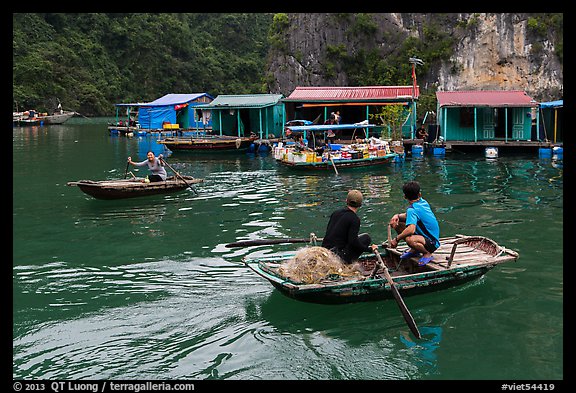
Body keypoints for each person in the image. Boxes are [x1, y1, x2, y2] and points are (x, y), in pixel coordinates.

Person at [389, 181, 440, 266]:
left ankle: (427, 253)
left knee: (410, 239)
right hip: (426, 238)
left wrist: (396, 239)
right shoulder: (423, 202)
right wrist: (396, 216)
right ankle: (415, 250)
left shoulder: (412, 210)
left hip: (432, 242)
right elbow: (406, 216)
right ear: (419, 194)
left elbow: (411, 230)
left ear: (405, 196)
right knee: (398, 222)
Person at [322, 190, 378, 264]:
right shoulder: (354, 219)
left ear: (346, 201)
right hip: (338, 257)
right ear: (360, 204)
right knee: (366, 238)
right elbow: (353, 242)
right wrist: (369, 249)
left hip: (325, 252)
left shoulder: (336, 213)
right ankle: (347, 263)